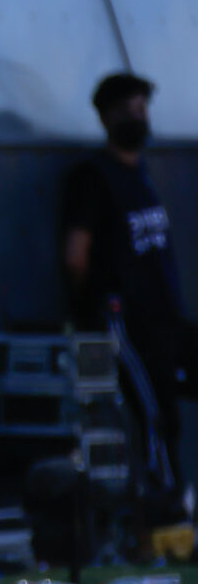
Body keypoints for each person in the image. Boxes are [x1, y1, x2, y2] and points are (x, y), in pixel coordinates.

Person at [61, 72, 193, 516]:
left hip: (164, 318)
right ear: (104, 116)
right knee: (153, 413)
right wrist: (96, 307)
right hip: (124, 320)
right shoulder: (94, 177)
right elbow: (76, 255)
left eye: (142, 108)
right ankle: (164, 506)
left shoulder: (140, 173)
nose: (138, 117)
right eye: (127, 109)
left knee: (168, 406)